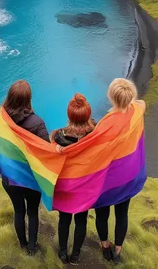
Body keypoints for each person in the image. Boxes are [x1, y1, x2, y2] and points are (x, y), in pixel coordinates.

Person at [95, 78, 146, 264]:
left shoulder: (106, 124)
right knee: (122, 213)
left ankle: (105, 246)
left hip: (109, 180)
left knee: (102, 213)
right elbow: (141, 102)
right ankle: (118, 250)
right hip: (129, 176)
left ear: (110, 97)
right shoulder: (138, 110)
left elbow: (93, 150)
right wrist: (128, 101)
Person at [1, 80, 50, 255]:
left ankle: (22, 244)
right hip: (30, 178)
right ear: (28, 99)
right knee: (32, 211)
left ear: (10, 97)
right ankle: (32, 247)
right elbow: (47, 152)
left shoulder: (2, 119)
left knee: (19, 211)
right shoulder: (37, 122)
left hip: (10, 176)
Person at [52, 93, 96, 265]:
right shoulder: (96, 136)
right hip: (85, 186)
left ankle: (63, 254)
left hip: (66, 186)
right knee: (81, 220)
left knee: (64, 219)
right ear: (87, 114)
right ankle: (76, 255)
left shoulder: (58, 138)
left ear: (69, 115)